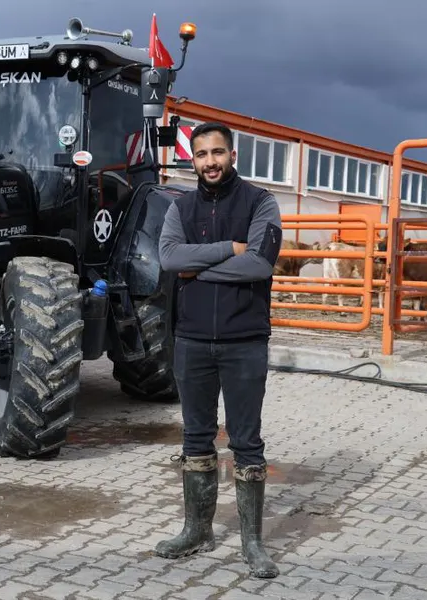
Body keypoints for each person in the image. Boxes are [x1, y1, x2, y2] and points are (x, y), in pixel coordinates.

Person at [154, 122, 281, 579]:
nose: (210, 162)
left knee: (246, 442)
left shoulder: (260, 202)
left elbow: (259, 263)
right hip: (191, 340)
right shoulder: (180, 207)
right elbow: (169, 258)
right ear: (193, 159)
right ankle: (196, 530)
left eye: (218, 152)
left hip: (244, 341)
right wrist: (228, 248)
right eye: (202, 154)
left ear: (232, 155)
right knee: (195, 437)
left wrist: (198, 269)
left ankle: (252, 542)